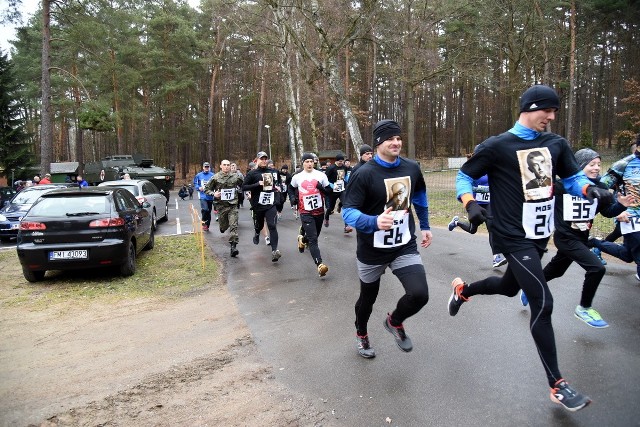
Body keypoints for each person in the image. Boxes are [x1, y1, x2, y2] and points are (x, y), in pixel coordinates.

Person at [447, 84, 615, 412]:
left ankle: (463, 290)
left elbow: (571, 177)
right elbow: (464, 177)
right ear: (529, 108)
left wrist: (588, 189)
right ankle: (558, 384)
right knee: (543, 301)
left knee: (509, 288)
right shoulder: (497, 146)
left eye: (555, 111)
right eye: (546, 111)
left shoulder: (556, 144)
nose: (551, 117)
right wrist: (469, 204)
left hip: (539, 235)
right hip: (511, 235)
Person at [342, 119, 432, 359]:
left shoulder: (411, 168)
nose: (396, 142)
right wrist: (373, 222)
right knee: (367, 300)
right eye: (390, 139)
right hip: (372, 250)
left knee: (420, 293)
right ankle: (361, 334)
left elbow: (420, 196)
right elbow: (347, 211)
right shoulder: (363, 173)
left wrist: (425, 225)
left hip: (403, 245)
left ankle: (394, 321)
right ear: (379, 143)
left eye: (399, 138)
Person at [528, 148, 632, 328]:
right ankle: (584, 308)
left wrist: (620, 206)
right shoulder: (562, 187)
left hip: (581, 237)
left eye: (599, 164)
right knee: (597, 268)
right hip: (566, 238)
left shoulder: (599, 188)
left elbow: (607, 212)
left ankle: (529, 289)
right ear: (579, 166)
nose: (597, 168)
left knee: (556, 270)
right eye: (592, 164)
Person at [588, 136, 640, 281]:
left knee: (627, 255)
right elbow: (602, 186)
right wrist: (618, 207)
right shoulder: (624, 164)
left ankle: (596, 242)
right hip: (631, 218)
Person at [447, 173, 507, 268]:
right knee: (472, 230)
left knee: (492, 227)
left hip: (488, 203)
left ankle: (497, 257)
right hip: (476, 205)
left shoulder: (491, 167)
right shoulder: (472, 169)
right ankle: (456, 222)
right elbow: (466, 187)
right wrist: (484, 190)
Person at [291, 153, 332, 277]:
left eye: (311, 161)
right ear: (302, 163)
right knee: (313, 239)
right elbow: (290, 187)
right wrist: (293, 197)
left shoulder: (321, 175)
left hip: (319, 211)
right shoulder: (297, 177)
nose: (309, 164)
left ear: (314, 162)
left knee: (314, 236)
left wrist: (322, 188)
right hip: (305, 212)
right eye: (306, 161)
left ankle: (301, 239)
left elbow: (329, 191)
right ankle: (320, 264)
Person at [242, 151, 282, 262]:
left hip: (270, 203)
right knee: (259, 224)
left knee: (272, 225)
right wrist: (257, 184)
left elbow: (275, 185)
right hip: (258, 204)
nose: (264, 161)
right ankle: (257, 232)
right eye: (261, 159)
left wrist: (277, 190)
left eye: (265, 159)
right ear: (257, 160)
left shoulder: (272, 172)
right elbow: (244, 187)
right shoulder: (252, 173)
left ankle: (274, 251)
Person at [206, 159, 244, 257]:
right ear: (221, 166)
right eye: (225, 165)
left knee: (234, 226)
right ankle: (222, 227)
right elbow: (207, 189)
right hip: (221, 206)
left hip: (233, 205)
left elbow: (244, 184)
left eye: (228, 165)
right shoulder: (215, 177)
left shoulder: (236, 177)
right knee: (223, 227)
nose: (227, 166)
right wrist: (214, 194)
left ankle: (233, 247)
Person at [324, 154, 352, 233]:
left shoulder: (344, 167)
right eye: (340, 161)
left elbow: (345, 177)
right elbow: (325, 179)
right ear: (336, 161)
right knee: (331, 208)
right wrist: (331, 185)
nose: (341, 163)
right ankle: (326, 217)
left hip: (342, 190)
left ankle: (347, 226)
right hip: (333, 191)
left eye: (342, 161)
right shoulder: (331, 168)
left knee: (346, 205)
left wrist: (348, 182)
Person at [193, 162, 215, 231]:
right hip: (202, 196)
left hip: (210, 196)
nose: (206, 168)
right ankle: (203, 221)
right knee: (205, 209)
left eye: (207, 167)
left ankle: (207, 225)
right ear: (203, 167)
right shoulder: (199, 175)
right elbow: (195, 183)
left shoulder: (212, 175)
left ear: (209, 168)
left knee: (208, 211)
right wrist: (198, 188)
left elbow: (216, 184)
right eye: (205, 167)